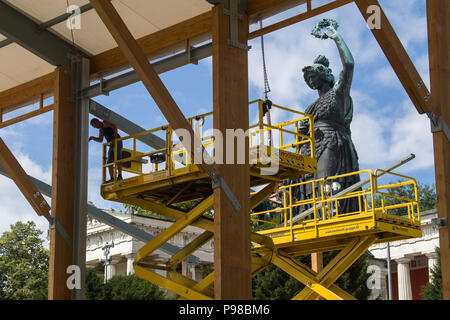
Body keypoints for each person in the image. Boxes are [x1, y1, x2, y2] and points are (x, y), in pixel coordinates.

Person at [292, 24, 361, 218]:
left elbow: (349, 65)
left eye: (313, 76)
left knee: (326, 180)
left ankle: (329, 214)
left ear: (324, 75)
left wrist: (336, 37)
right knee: (302, 182)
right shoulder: (310, 107)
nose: (311, 81)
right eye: (308, 79)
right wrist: (302, 131)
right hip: (312, 146)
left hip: (332, 141)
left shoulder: (338, 93)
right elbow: (301, 134)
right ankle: (310, 215)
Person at [89, 118, 123, 183]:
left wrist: (115, 138)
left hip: (117, 141)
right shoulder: (101, 130)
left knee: (118, 158)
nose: (94, 127)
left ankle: (120, 175)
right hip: (112, 143)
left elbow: (114, 126)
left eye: (94, 125)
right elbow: (100, 140)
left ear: (97, 122)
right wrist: (93, 138)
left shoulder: (105, 122)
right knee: (109, 161)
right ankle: (112, 178)